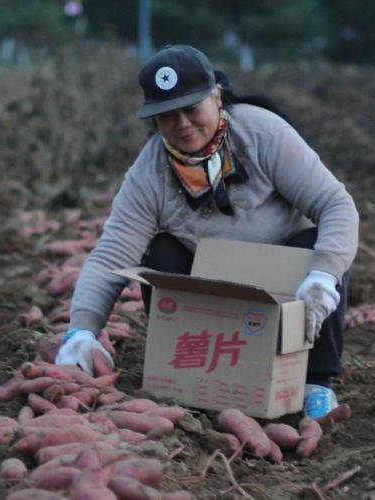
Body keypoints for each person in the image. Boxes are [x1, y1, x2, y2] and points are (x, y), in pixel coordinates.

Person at [55, 45, 359, 419]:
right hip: (213, 285)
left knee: (320, 246)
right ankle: (190, 375)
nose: (181, 124)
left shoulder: (262, 134)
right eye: (167, 116)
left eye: (191, 109)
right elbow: (111, 254)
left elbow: (336, 205)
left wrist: (324, 275)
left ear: (216, 96)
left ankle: (316, 382)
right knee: (161, 254)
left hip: (282, 279)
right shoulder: (150, 172)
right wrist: (82, 330)